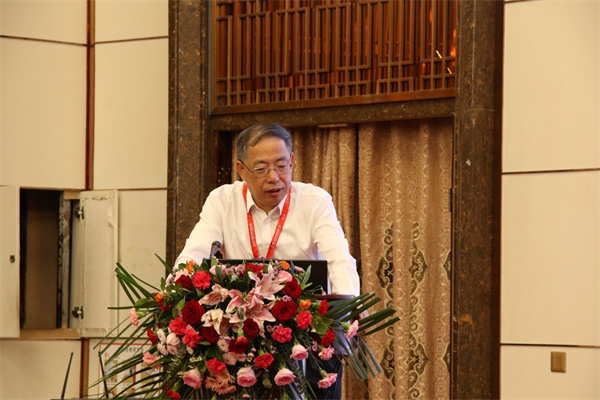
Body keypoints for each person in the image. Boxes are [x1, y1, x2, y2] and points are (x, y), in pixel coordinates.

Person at [174, 122, 360, 399]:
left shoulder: (314, 201)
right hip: (242, 342)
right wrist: (175, 297)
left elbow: (339, 259)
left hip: (305, 335)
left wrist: (348, 309)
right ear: (241, 170)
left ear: (292, 161)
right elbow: (193, 255)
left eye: (282, 166)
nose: (274, 177)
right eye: (261, 169)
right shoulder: (222, 201)